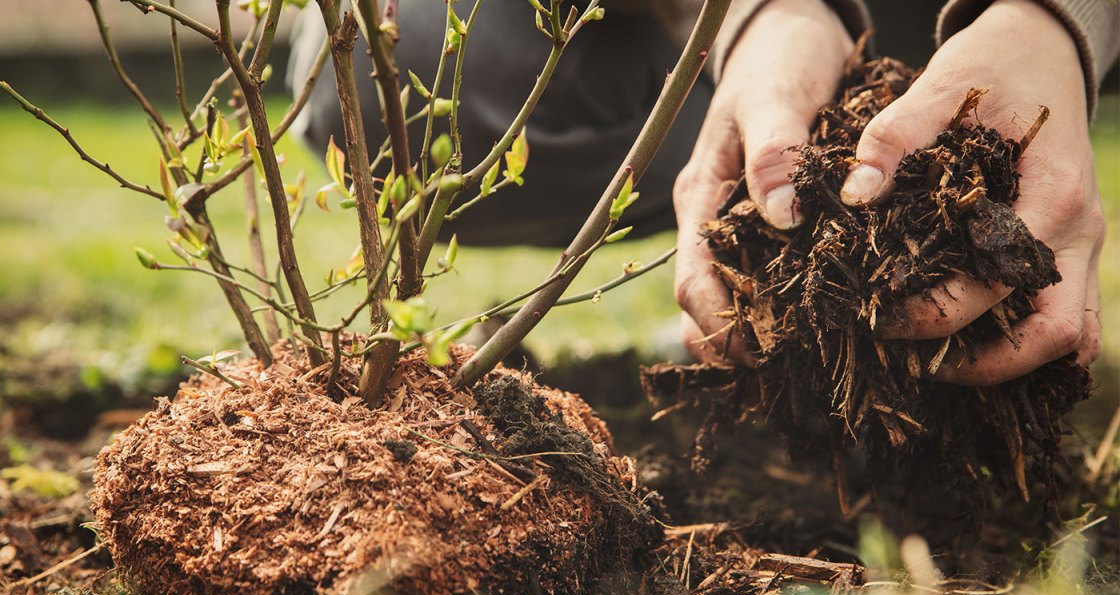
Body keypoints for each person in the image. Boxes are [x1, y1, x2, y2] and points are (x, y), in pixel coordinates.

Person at [289, 0, 1116, 384]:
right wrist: (758, 15)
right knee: (375, 66)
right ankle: (757, 105)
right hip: (676, 22)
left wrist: (1058, 23)